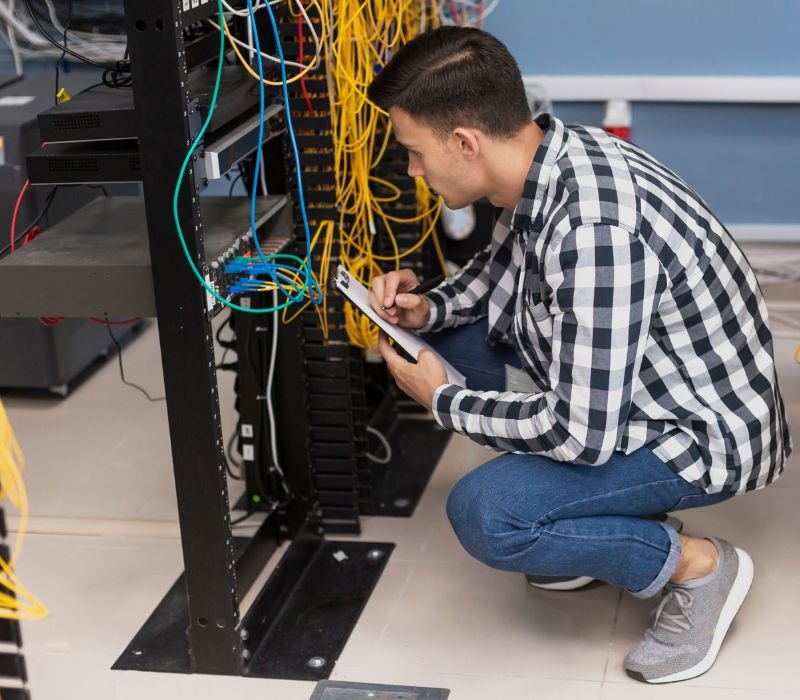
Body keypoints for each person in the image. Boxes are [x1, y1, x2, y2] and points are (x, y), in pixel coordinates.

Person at [365, 26, 792, 684]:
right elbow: (493, 274)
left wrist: (444, 401)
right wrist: (427, 310)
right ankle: (593, 527)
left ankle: (698, 568)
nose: (413, 170)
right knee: (446, 340)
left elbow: (580, 435)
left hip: (702, 437)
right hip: (639, 392)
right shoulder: (548, 156)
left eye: (415, 153)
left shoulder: (593, 230)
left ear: (464, 142)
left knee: (486, 513)